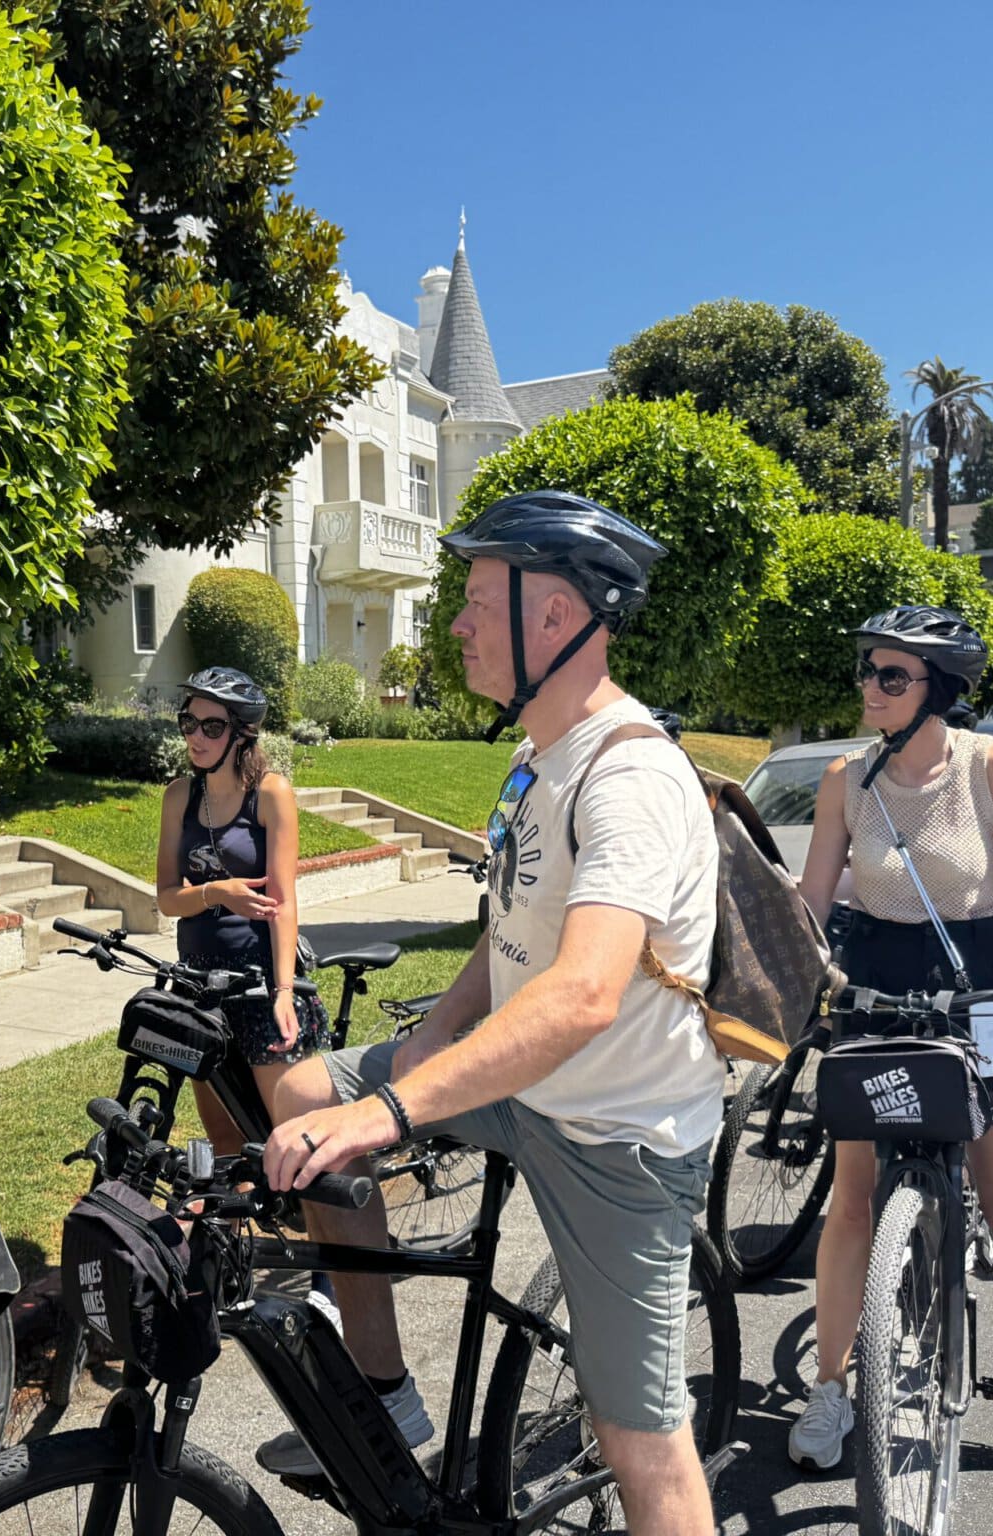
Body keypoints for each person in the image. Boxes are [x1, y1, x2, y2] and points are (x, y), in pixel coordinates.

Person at [261, 490, 723, 1536]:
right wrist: (418, 1051)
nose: (455, 622)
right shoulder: (534, 761)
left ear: (553, 618)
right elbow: (509, 927)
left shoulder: (631, 775)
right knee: (296, 1090)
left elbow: (581, 991)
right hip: (525, 1090)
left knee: (642, 1446)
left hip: (617, 1137)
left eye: (476, 599)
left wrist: (390, 1113)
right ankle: (383, 1387)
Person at [787, 606, 993, 1515]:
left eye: (890, 676)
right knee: (851, 1202)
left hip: (979, 993)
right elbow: (816, 903)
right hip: (875, 995)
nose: (870, 687)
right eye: (868, 670)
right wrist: (770, 982)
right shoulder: (843, 780)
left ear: (938, 689)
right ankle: (831, 1386)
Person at [155, 667, 326, 1148]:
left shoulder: (270, 794)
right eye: (189, 723)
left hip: (257, 977)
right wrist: (218, 892)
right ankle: (231, 1223)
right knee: (227, 1140)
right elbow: (167, 898)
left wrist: (284, 989)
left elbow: (284, 900)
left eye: (212, 727)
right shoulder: (179, 797)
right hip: (199, 984)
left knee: (293, 1135)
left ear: (240, 734)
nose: (197, 736)